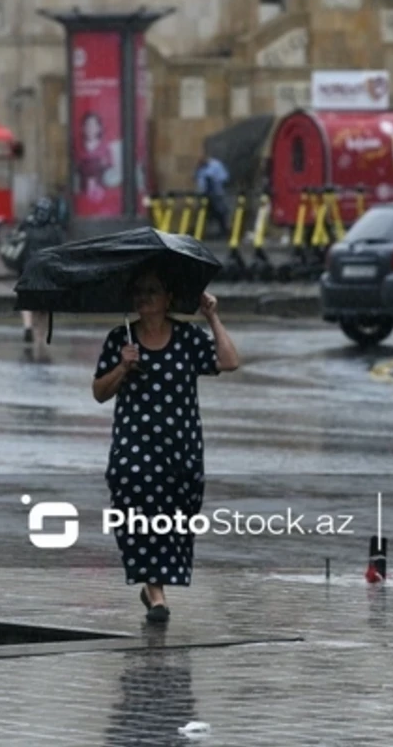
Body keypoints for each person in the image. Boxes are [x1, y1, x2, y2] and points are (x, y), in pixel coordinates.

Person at [91, 267, 240, 623]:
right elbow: (99, 392)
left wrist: (212, 316)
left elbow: (229, 361)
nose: (144, 298)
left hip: (180, 449)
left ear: (168, 298)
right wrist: (123, 368)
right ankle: (156, 595)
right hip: (134, 449)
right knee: (138, 511)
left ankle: (152, 587)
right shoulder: (120, 339)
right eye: (139, 291)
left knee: (172, 518)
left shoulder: (188, 337)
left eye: (152, 291)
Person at [16, 196, 67, 351]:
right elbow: (61, 252)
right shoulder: (55, 231)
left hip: (28, 270)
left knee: (26, 300)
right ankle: (40, 340)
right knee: (44, 309)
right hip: (47, 273)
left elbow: (17, 245)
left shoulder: (26, 226)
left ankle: (27, 326)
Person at [194, 153, 230, 239]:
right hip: (204, 195)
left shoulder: (216, 165)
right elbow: (198, 179)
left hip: (216, 194)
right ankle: (202, 233)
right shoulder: (200, 168)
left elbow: (224, 177)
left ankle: (223, 231)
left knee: (220, 212)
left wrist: (213, 179)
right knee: (204, 213)